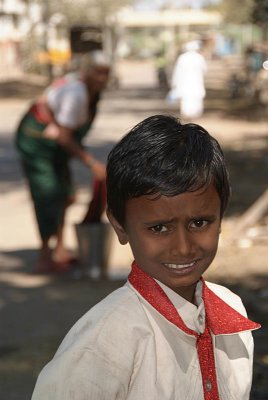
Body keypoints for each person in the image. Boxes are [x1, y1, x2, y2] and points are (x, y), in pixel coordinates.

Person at [31, 115, 260, 399]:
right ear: (119, 225)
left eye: (199, 223)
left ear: (221, 216)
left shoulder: (231, 311)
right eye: (159, 228)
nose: (183, 247)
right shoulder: (104, 342)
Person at [15, 50, 110, 273]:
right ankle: (45, 257)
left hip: (55, 142)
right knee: (48, 195)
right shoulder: (76, 94)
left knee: (67, 194)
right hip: (37, 141)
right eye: (98, 73)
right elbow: (66, 137)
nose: (102, 79)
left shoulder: (92, 93)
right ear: (86, 72)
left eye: (106, 74)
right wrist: (91, 163)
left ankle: (60, 249)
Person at [167, 40, 207, 119]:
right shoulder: (199, 57)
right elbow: (204, 70)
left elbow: (177, 71)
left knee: (186, 99)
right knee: (195, 98)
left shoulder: (182, 58)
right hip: (196, 81)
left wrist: (174, 82)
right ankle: (194, 114)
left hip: (185, 82)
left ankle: (187, 114)